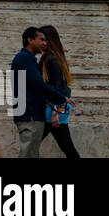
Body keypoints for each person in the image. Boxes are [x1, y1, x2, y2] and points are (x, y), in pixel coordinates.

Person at [11, 26, 68, 158]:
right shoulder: (24, 58)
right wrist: (60, 99)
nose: (45, 43)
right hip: (30, 114)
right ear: (30, 40)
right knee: (29, 154)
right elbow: (39, 85)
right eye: (41, 39)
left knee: (31, 153)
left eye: (46, 40)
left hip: (30, 113)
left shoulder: (28, 59)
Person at [37, 25, 80, 159]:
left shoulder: (52, 59)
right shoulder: (53, 57)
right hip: (57, 107)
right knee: (68, 147)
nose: (41, 42)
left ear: (50, 40)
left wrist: (56, 111)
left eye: (43, 39)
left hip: (53, 108)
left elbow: (59, 87)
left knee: (31, 145)